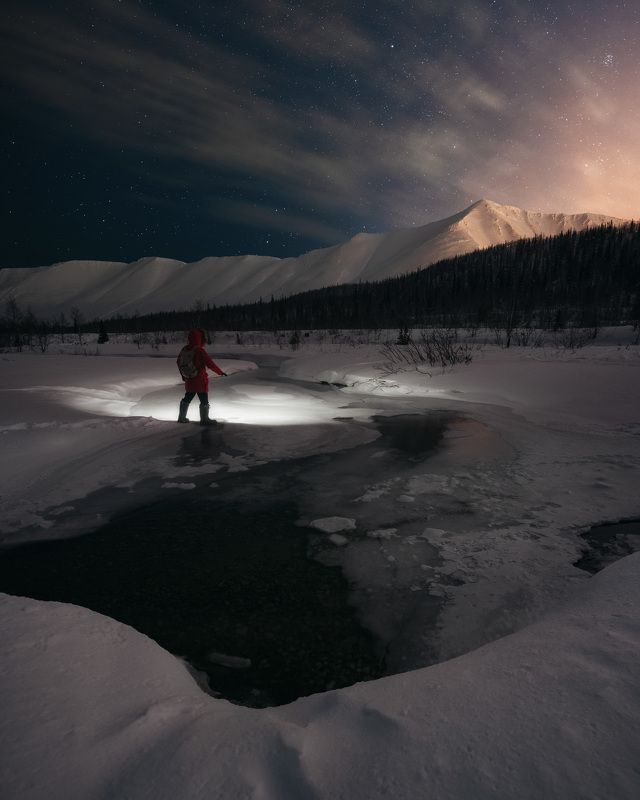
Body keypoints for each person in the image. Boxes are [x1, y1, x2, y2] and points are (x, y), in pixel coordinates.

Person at [177, 329, 226, 425]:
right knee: (203, 398)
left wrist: (183, 376)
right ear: (200, 339)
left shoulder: (184, 349)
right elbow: (210, 364)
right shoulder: (199, 350)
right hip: (199, 379)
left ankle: (181, 417)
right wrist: (220, 372)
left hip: (189, 379)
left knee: (188, 397)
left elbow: (178, 362)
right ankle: (204, 419)